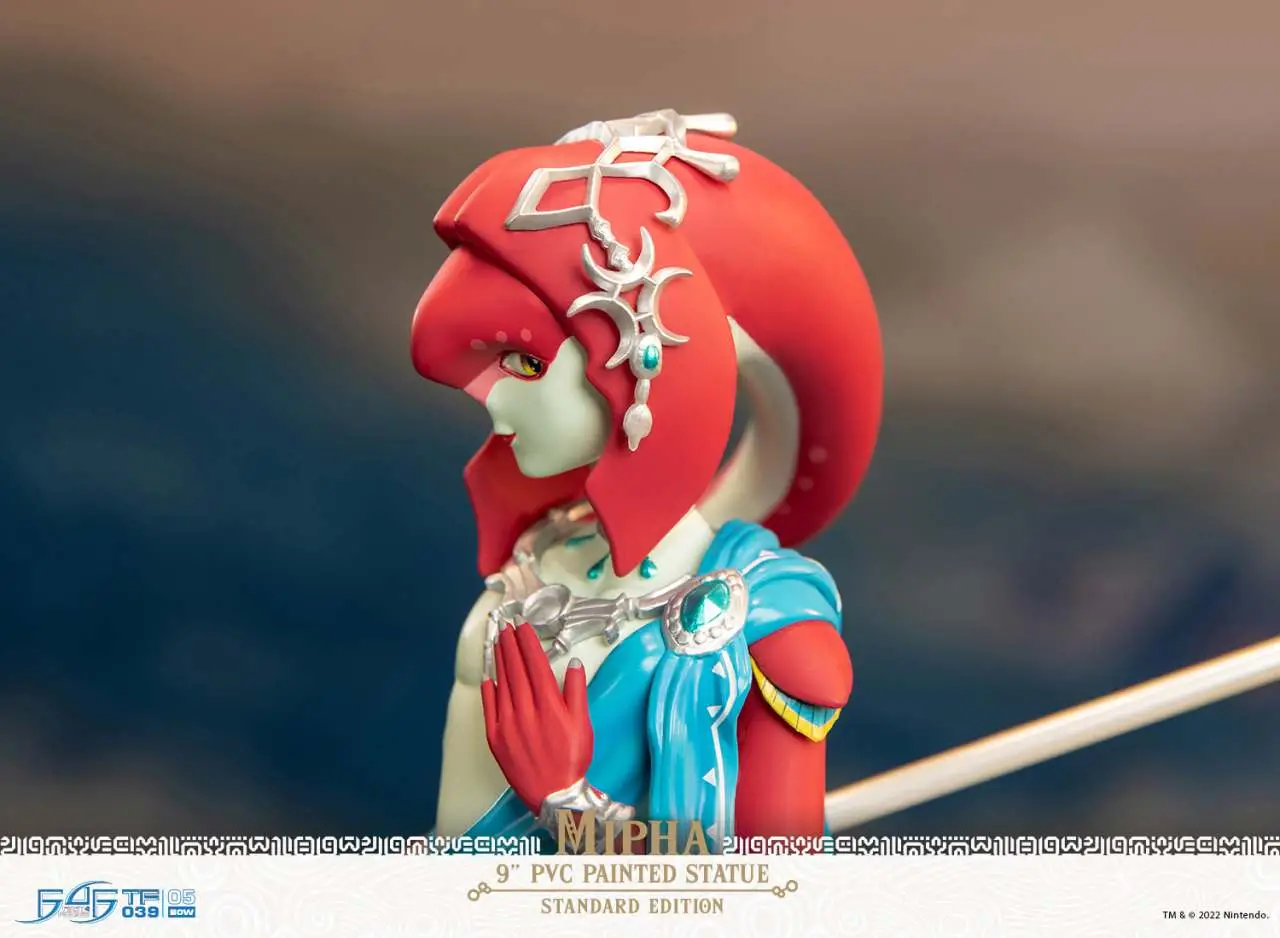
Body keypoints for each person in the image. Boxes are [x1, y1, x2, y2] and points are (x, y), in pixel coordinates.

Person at [412, 110, 881, 853]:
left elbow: (773, 887)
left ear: (642, 365)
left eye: (525, 363)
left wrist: (568, 803)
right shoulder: (542, 551)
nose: (493, 404)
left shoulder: (771, 632)